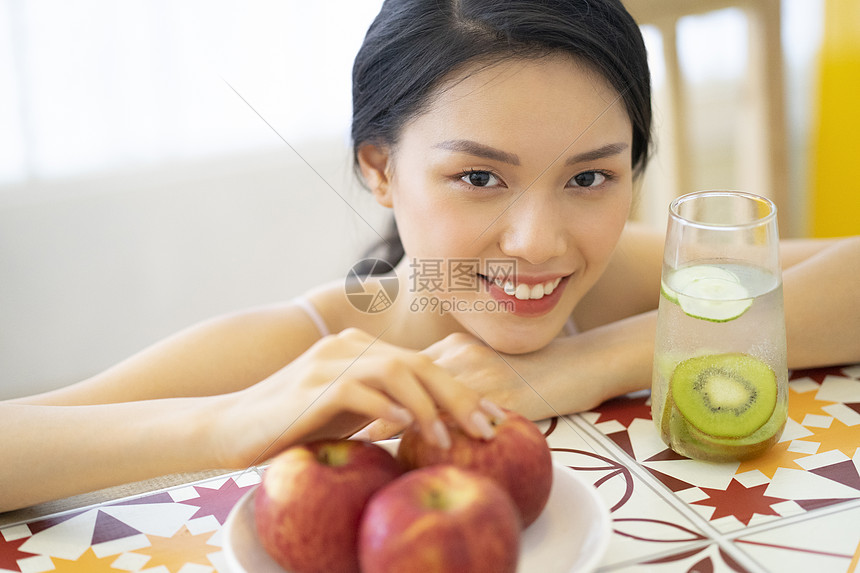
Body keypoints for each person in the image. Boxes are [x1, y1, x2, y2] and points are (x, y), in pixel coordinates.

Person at [2, 0, 858, 513]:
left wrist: (598, 357)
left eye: (590, 176)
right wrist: (227, 420)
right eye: (480, 175)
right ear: (380, 168)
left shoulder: (613, 287)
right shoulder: (308, 348)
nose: (538, 241)